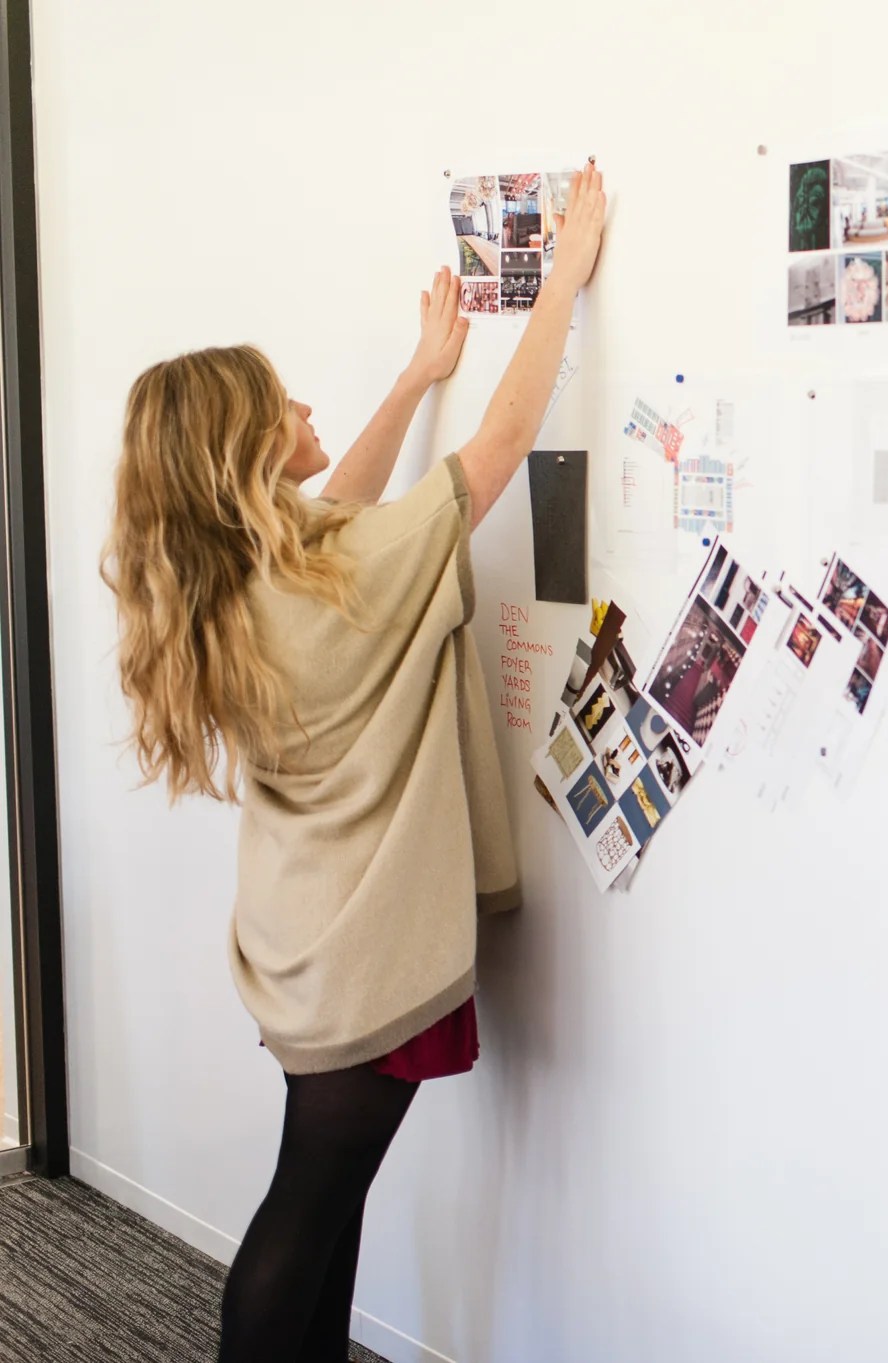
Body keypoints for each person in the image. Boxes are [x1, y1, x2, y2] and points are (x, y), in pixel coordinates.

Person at [104, 163, 608, 1363]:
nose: (301, 409)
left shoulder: (239, 585)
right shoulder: (341, 578)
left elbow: (342, 509)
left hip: (304, 945)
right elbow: (504, 443)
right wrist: (564, 282)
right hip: (365, 960)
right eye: (281, 401)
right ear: (247, 449)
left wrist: (416, 373)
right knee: (306, 1219)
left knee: (323, 1207)